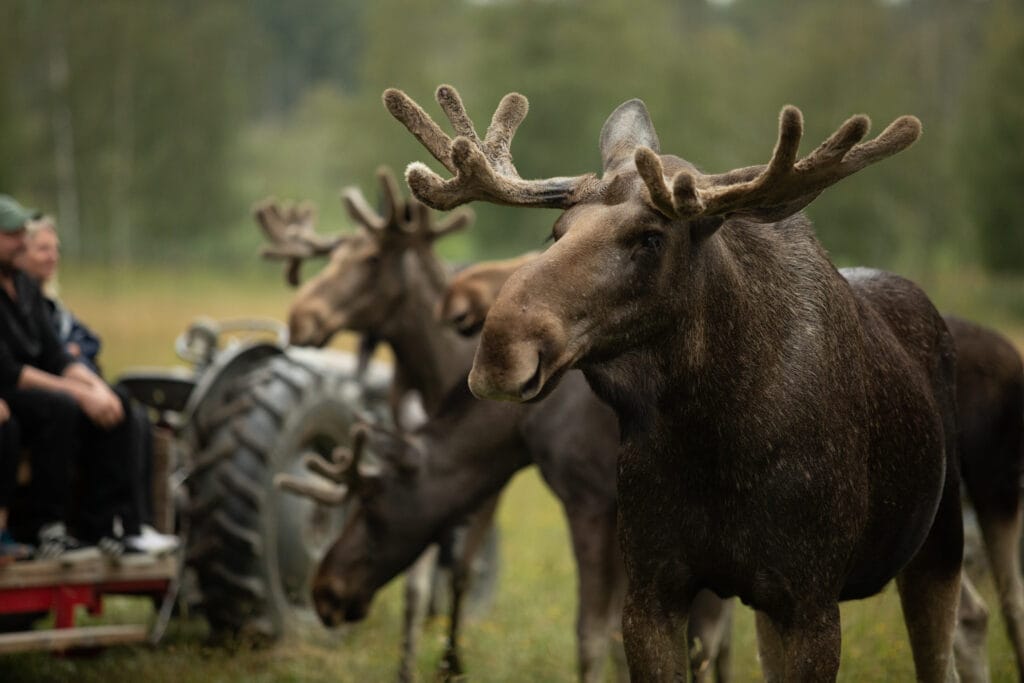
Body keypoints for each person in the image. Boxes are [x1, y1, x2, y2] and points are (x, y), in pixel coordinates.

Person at [0, 194, 166, 561]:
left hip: (38, 385)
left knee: (117, 403)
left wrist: (94, 387)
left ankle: (109, 525)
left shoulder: (26, 288)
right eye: (13, 235)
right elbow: (9, 371)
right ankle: (46, 525)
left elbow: (55, 354)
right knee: (60, 407)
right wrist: (77, 393)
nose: (22, 243)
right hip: (11, 392)